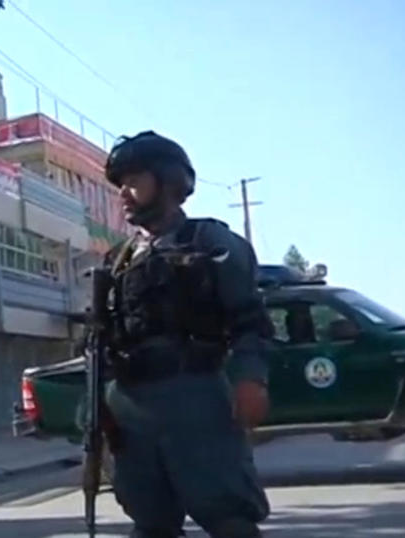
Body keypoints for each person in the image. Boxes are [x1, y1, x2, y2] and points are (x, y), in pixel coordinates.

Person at [99, 131, 273, 537]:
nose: (124, 192)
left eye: (135, 180)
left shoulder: (212, 243)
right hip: (132, 405)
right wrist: (96, 412)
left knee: (227, 514)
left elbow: (250, 320)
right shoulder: (118, 260)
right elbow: (101, 340)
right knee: (150, 521)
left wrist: (250, 379)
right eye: (120, 183)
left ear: (170, 182)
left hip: (194, 394)